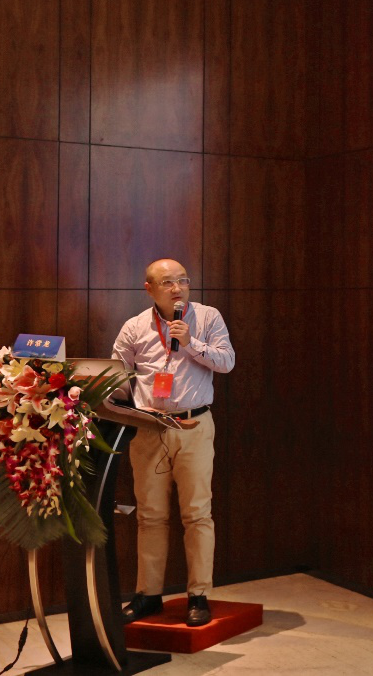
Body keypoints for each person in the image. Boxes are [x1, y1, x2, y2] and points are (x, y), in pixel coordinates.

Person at [111, 258, 235, 627]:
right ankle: (148, 595)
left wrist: (191, 343)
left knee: (197, 514)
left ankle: (198, 595)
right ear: (149, 289)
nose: (177, 288)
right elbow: (117, 376)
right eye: (167, 282)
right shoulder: (135, 326)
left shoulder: (208, 317)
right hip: (149, 428)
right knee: (150, 516)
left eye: (182, 280)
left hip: (194, 425)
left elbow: (227, 361)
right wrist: (126, 405)